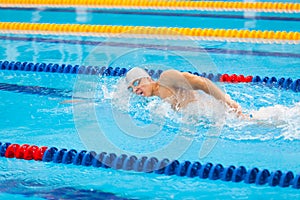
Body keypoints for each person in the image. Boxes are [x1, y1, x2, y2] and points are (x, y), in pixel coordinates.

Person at [126, 67, 243, 115]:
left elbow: (202, 83)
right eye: (131, 88)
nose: (135, 89)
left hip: (223, 114)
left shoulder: (166, 78)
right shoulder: (157, 100)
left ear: (148, 78)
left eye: (136, 83)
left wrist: (230, 105)